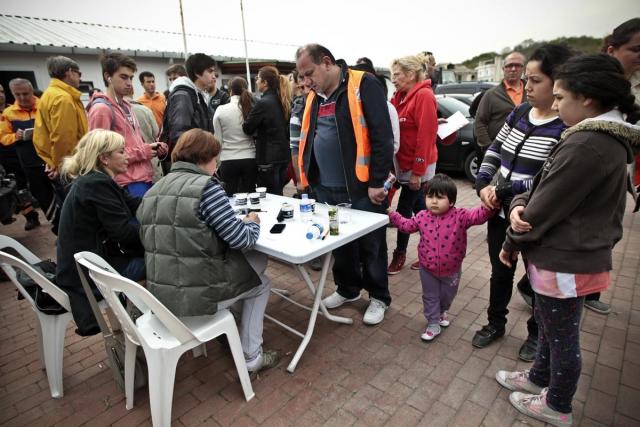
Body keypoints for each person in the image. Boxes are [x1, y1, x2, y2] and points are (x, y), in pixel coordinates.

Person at [495, 53, 640, 427]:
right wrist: (522, 201)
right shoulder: (593, 137)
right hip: (562, 255)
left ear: (587, 97)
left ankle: (558, 405)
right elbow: (546, 183)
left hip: (566, 259)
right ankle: (538, 377)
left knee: (561, 338)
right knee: (549, 327)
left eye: (560, 97)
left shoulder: (588, 143)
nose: (555, 105)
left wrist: (512, 238)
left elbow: (546, 204)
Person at [137, 128, 280, 374]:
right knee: (260, 279)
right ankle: (251, 356)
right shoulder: (206, 188)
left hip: (164, 293)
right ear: (205, 158)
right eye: (216, 159)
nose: (217, 165)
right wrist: (253, 221)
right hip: (198, 295)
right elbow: (241, 239)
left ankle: (235, 319)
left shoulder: (153, 191)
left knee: (249, 272)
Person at [472, 45, 573, 362]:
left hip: (533, 218)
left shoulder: (565, 128)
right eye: (527, 79)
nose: (526, 86)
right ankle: (494, 323)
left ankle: (535, 335)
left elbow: (547, 179)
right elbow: (495, 149)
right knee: (499, 271)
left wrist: (503, 189)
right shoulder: (518, 113)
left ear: (557, 82)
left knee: (537, 280)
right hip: (499, 212)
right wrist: (484, 184)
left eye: (535, 80)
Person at [296, 43, 394, 325]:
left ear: (326, 62)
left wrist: (377, 181)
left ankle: (378, 296)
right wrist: (309, 181)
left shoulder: (363, 84)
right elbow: (308, 138)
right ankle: (348, 289)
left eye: (309, 73)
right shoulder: (314, 97)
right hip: (326, 188)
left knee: (372, 244)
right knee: (340, 244)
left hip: (362, 187)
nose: (305, 82)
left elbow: (382, 136)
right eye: (301, 77)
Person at [56, 129, 146, 336]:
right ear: (104, 158)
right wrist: (160, 230)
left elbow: (135, 203)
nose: (127, 156)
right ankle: (152, 324)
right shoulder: (96, 184)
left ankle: (144, 319)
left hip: (81, 269)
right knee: (164, 262)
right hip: (90, 276)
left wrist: (165, 199)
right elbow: (123, 233)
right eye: (121, 152)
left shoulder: (93, 180)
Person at [389, 174, 494, 340]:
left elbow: (479, 216)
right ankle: (432, 323)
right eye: (429, 196)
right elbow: (407, 225)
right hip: (427, 268)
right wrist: (392, 214)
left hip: (452, 269)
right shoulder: (422, 216)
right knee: (430, 296)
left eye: (439, 197)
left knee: (447, 295)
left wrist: (491, 203)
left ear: (451, 201)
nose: (434, 201)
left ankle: (443, 311)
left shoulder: (460, 216)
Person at [387, 55, 438, 275]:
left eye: (397, 75)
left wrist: (417, 173)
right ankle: (435, 249)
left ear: (411, 74)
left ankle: (400, 254)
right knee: (421, 209)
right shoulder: (399, 97)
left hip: (418, 167)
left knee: (404, 210)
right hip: (404, 164)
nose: (394, 79)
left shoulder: (424, 95)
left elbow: (425, 138)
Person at [87, 53, 165, 197]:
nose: (129, 82)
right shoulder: (102, 110)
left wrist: (153, 148)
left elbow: (133, 143)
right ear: (107, 76)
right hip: (124, 183)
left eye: (131, 77)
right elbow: (100, 156)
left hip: (143, 178)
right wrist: (144, 152)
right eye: (123, 77)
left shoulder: (127, 106)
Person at [0, 79, 56, 230]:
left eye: (25, 93)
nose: (23, 97)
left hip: (52, 159)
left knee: (62, 193)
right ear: (12, 94)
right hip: (30, 162)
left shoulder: (45, 105)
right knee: (42, 196)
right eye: (18, 95)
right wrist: (15, 137)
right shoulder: (8, 113)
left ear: (32, 92)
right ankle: (57, 228)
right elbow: (3, 137)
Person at [33, 55, 88, 178]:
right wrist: (61, 166)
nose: (81, 77)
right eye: (79, 73)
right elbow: (63, 138)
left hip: (57, 161)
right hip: (71, 165)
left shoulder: (49, 94)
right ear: (69, 72)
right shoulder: (63, 98)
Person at [242, 66, 291, 195]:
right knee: (279, 192)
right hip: (283, 155)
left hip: (268, 157)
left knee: (271, 196)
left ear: (265, 83)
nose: (256, 81)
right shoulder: (283, 100)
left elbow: (247, 128)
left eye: (258, 78)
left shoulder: (263, 103)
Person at [161, 54, 215, 157]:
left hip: (201, 157)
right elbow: (180, 134)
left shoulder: (198, 94)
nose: (214, 75)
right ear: (197, 73)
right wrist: (199, 155)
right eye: (210, 71)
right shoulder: (183, 95)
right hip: (193, 159)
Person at [474, 52, 527, 151]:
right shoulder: (491, 94)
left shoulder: (532, 92)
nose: (513, 69)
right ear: (503, 69)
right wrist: (488, 147)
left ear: (524, 69)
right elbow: (479, 122)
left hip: (526, 151)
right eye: (509, 66)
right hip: (499, 151)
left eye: (517, 65)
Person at [212, 76, 257, 194]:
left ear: (230, 91)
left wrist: (216, 161)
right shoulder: (252, 109)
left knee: (231, 198)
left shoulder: (221, 110)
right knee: (251, 197)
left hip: (228, 159)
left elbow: (217, 139)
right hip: (250, 158)